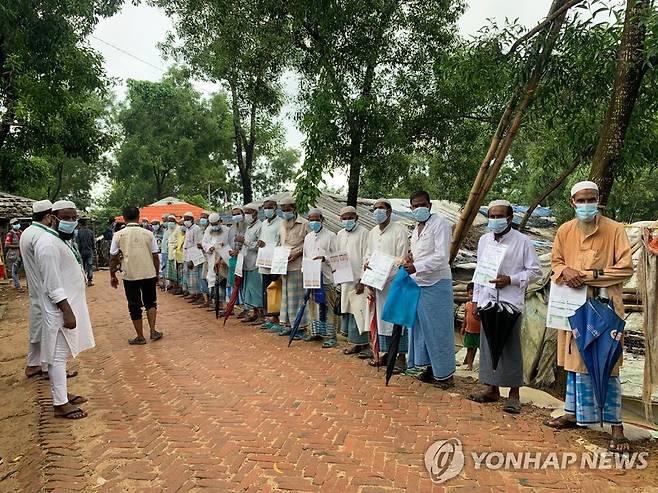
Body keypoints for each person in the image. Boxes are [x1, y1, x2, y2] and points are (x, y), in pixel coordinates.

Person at [544, 181, 633, 453]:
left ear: (598, 199)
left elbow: (625, 269)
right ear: (573, 202)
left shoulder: (615, 230)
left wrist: (592, 275)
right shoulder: (564, 231)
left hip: (604, 308)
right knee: (574, 360)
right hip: (573, 307)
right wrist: (565, 272)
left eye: (590, 199)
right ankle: (572, 412)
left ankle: (616, 427)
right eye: (580, 200)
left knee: (607, 362)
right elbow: (556, 262)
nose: (586, 204)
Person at [468, 199, 542, 409]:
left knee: (509, 346)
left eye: (499, 216)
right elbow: (480, 271)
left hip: (510, 302)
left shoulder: (523, 242)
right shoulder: (484, 240)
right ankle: (491, 388)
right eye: (491, 216)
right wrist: (475, 300)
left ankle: (514, 394)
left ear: (510, 218)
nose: (495, 220)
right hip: (487, 300)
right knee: (488, 343)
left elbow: (535, 271)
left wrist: (511, 279)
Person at [35, 200, 95, 419]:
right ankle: (60, 403)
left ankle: (61, 395)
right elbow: (52, 283)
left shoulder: (59, 240)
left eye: (73, 217)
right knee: (57, 356)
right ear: (52, 217)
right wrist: (66, 310)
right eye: (66, 217)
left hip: (67, 305)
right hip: (60, 308)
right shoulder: (48, 244)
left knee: (60, 355)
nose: (70, 221)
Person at [404, 191, 459, 389]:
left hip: (437, 282)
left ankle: (445, 374)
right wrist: (410, 260)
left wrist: (417, 266)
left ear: (430, 205)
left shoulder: (440, 224)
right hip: (418, 282)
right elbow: (419, 254)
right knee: (421, 329)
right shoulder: (416, 230)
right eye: (415, 206)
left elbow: (442, 256)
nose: (419, 209)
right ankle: (428, 367)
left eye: (422, 205)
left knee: (439, 329)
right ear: (411, 208)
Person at [364, 198, 409, 373]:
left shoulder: (399, 231)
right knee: (382, 319)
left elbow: (402, 258)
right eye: (375, 208)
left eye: (381, 208)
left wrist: (385, 267)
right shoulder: (372, 232)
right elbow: (367, 254)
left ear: (389, 211)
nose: (377, 211)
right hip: (377, 283)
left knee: (396, 319)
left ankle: (400, 357)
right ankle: (387, 353)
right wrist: (367, 264)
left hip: (394, 282)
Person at [109, 206, 164, 345]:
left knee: (134, 305)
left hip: (130, 274)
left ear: (124, 218)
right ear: (138, 217)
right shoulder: (148, 234)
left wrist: (112, 275)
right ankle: (153, 331)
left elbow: (113, 257)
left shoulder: (118, 235)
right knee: (151, 302)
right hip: (148, 273)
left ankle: (140, 336)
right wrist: (156, 274)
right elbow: (155, 256)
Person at [19, 200, 54, 378]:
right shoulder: (41, 235)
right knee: (49, 328)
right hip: (44, 287)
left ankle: (33, 364)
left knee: (37, 325)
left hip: (35, 287)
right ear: (48, 216)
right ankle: (48, 368)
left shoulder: (27, 232)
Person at [336, 206, 370, 356]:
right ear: (340, 219)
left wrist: (363, 280)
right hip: (344, 279)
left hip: (358, 280)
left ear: (357, 218)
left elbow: (366, 257)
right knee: (349, 311)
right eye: (344, 218)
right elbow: (337, 255)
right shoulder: (340, 234)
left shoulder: (364, 233)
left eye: (350, 218)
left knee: (359, 311)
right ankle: (354, 343)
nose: (347, 221)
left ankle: (362, 344)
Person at [303, 208, 338, 348]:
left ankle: (331, 335)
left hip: (327, 277)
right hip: (312, 277)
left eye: (316, 219)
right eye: (311, 219)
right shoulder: (308, 237)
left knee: (328, 306)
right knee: (314, 306)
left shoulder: (331, 236)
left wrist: (325, 258)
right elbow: (305, 256)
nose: (314, 222)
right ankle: (315, 332)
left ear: (322, 220)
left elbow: (336, 256)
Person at [276, 196, 309, 337]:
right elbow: (279, 243)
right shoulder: (282, 224)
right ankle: (289, 324)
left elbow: (308, 244)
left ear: (294, 209)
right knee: (286, 297)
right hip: (283, 265)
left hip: (297, 265)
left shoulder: (304, 224)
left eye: (288, 210)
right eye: (283, 210)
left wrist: (298, 253)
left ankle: (300, 326)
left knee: (297, 297)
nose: (285, 212)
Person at [257, 197, 283, 330]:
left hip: (275, 262)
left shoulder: (281, 223)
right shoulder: (263, 223)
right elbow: (262, 239)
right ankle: (269, 317)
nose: (267, 210)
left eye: (270, 207)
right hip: (264, 262)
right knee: (266, 290)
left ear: (276, 208)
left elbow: (280, 243)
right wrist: (260, 243)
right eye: (265, 207)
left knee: (276, 290)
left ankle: (277, 318)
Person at [240, 203, 264, 324]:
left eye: (248, 213)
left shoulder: (260, 226)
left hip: (255, 262)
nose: (246, 215)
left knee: (256, 290)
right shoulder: (248, 227)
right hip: (247, 262)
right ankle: (254, 312)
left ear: (255, 213)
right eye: (245, 213)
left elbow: (260, 245)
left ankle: (261, 314)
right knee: (249, 289)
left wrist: (245, 242)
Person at [202, 213, 231, 312]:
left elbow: (229, 244)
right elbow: (204, 243)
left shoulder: (227, 230)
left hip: (223, 259)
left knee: (223, 281)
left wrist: (220, 247)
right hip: (211, 258)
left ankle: (226, 306)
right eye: (212, 224)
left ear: (220, 221)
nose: (214, 226)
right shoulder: (208, 230)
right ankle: (217, 304)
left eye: (216, 223)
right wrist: (210, 248)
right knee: (213, 281)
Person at [183, 212, 205, 304]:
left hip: (194, 256)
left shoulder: (196, 229)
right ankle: (193, 294)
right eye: (185, 219)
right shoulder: (188, 229)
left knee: (196, 278)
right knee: (190, 277)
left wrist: (193, 259)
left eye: (187, 219)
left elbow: (197, 244)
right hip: (187, 255)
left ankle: (199, 296)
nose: (186, 221)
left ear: (192, 219)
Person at [460, 282, 480, 371]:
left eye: (475, 294)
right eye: (471, 294)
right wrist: (463, 327)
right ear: (468, 293)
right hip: (469, 331)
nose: (473, 296)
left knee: (482, 350)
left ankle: (483, 366)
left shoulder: (480, 305)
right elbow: (465, 317)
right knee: (470, 349)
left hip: (480, 332)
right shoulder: (467, 304)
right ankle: (469, 365)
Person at [75, 218, 95, 287]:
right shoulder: (91, 232)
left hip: (81, 252)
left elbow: (78, 243)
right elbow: (93, 243)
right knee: (89, 266)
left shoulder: (78, 232)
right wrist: (93, 250)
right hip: (89, 251)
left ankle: (83, 280)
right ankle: (89, 281)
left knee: (82, 267)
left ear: (80, 224)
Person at [5, 218, 23, 290]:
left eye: (17, 223)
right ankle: (18, 286)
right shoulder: (10, 234)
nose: (17, 225)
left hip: (21, 255)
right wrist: (18, 246)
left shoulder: (20, 232)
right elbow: (7, 245)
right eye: (15, 223)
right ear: (12, 225)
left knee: (18, 270)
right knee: (14, 271)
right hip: (14, 255)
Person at [166, 216, 182, 294]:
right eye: (168, 221)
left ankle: (179, 287)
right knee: (172, 271)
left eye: (171, 221)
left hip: (176, 252)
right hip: (170, 252)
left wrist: (175, 246)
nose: (170, 223)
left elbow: (179, 240)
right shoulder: (169, 230)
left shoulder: (178, 229)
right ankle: (174, 286)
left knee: (177, 271)